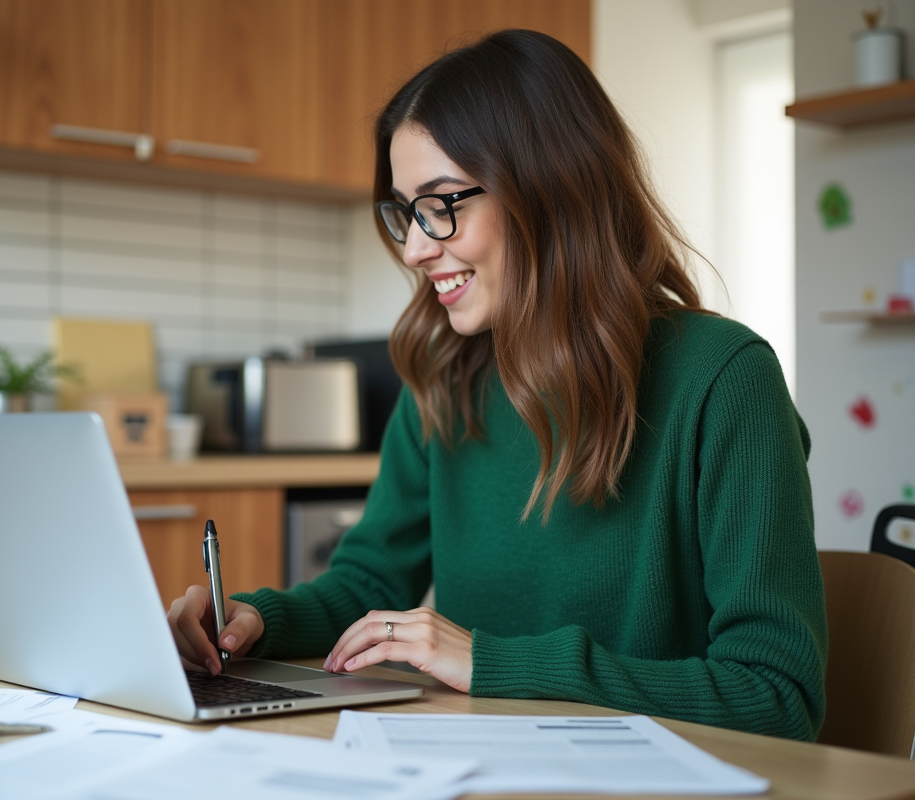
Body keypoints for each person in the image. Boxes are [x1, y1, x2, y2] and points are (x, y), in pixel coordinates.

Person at [168, 29, 826, 741]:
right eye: (405, 211)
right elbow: (368, 587)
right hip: (477, 769)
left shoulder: (725, 381)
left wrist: (494, 663)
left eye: (442, 202)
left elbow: (775, 695)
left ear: (552, 189)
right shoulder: (443, 377)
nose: (416, 247)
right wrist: (254, 620)